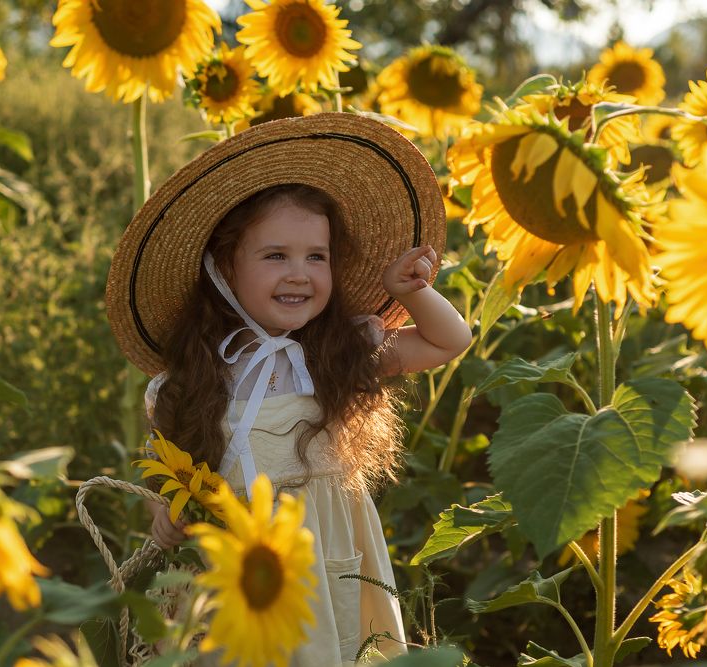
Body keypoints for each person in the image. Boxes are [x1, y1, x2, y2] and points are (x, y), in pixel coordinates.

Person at [105, 113, 472, 666]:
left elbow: (450, 341)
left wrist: (410, 292)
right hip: (235, 566)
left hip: (328, 556)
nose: (299, 273)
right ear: (224, 267)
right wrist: (167, 515)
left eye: (316, 257)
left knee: (338, 645)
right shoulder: (199, 373)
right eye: (276, 256)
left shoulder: (341, 350)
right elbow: (176, 468)